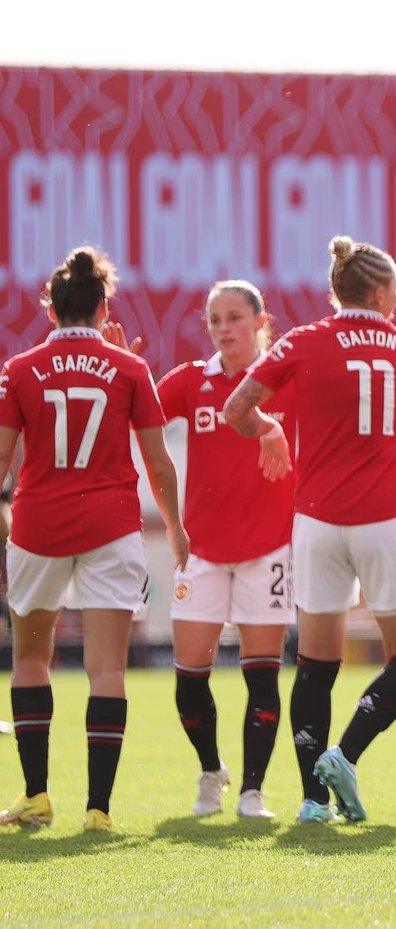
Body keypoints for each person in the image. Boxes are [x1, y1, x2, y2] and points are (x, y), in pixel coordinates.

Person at [224, 236, 396, 824]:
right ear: (379, 290)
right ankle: (346, 753)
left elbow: (236, 409)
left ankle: (313, 802)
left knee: (316, 664)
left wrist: (269, 428)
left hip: (317, 520)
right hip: (386, 516)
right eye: (395, 285)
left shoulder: (302, 341)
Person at [0, 247, 188, 831]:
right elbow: (158, 463)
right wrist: (177, 529)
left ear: (49, 309)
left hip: (38, 527)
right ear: (105, 307)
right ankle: (99, 810)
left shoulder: (20, 369)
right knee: (108, 669)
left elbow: (2, 460)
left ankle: (36, 797)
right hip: (111, 528)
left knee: (32, 657)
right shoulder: (130, 370)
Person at [155, 280, 296, 819]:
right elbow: (140, 411)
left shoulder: (286, 379)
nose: (223, 329)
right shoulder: (192, 382)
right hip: (203, 550)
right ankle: (211, 770)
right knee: (189, 679)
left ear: (261, 323)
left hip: (269, 548)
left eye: (234, 317)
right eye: (214, 320)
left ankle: (252, 793)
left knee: (261, 674)